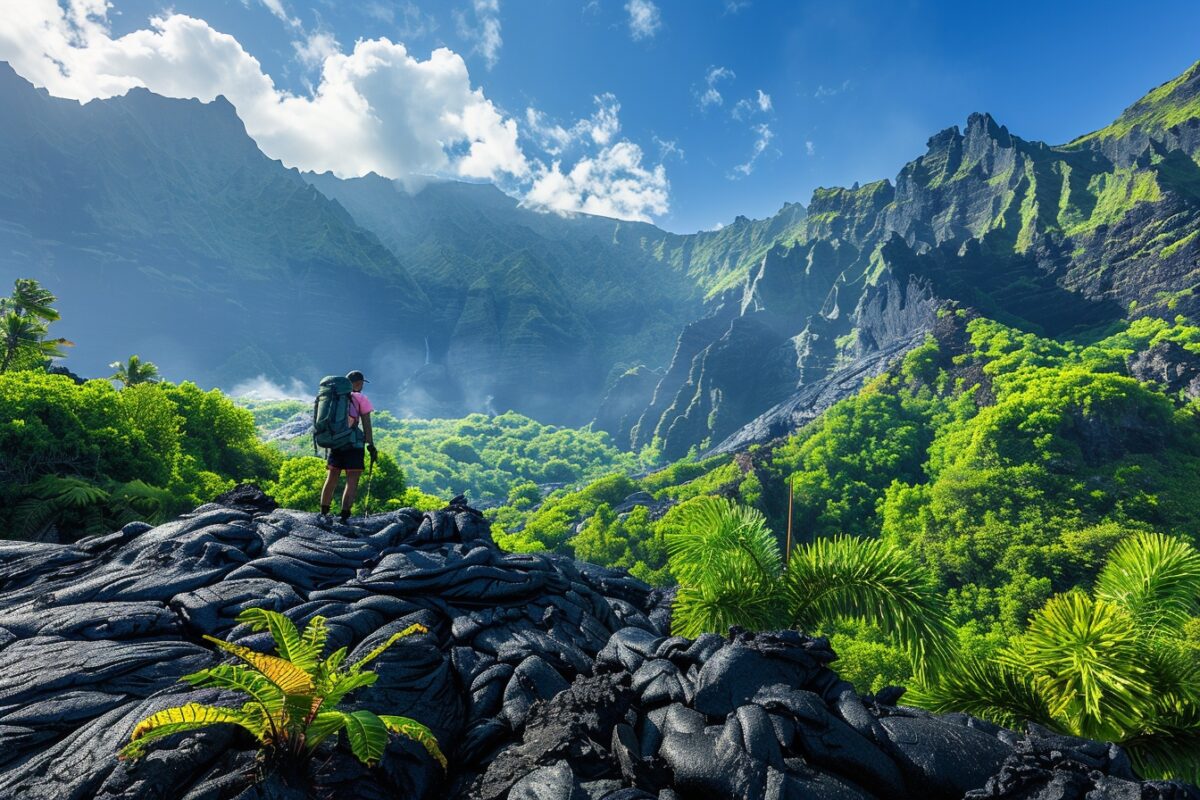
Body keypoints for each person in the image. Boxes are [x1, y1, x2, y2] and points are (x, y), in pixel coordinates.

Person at [319, 370, 378, 523]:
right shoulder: (360, 398)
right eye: (361, 383)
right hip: (354, 444)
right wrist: (370, 444)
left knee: (332, 477)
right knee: (352, 479)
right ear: (358, 383)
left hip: (336, 441)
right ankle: (344, 516)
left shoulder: (334, 397)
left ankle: (323, 512)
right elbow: (366, 424)